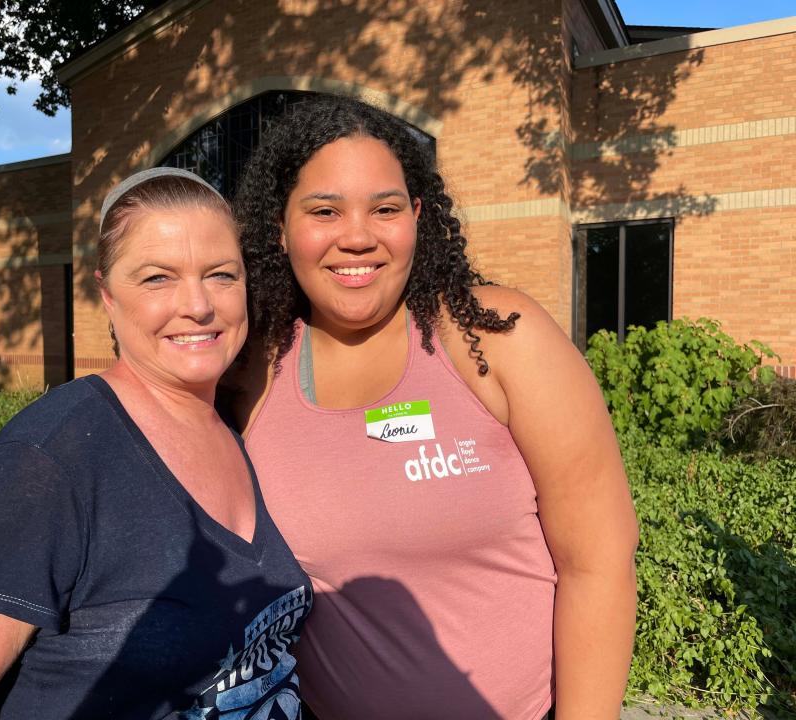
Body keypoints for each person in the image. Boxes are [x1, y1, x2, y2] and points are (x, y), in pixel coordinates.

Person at [229, 95, 639, 719]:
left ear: (417, 216)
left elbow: (599, 560)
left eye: (385, 208)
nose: (358, 236)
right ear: (280, 228)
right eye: (324, 211)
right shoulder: (253, 369)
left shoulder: (497, 339)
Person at [0, 168, 313, 720]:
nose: (199, 304)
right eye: (158, 278)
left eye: (222, 275)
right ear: (106, 294)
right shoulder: (43, 464)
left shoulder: (235, 426)